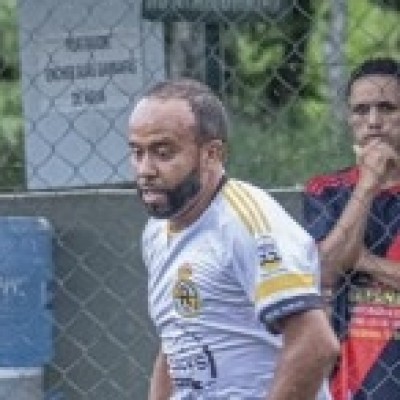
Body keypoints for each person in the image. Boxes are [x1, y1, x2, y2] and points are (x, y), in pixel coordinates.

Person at [128, 78, 339, 400]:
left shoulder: (247, 223)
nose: (145, 169)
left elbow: (315, 344)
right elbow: (176, 345)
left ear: (211, 154)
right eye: (137, 152)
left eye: (163, 152)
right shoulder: (157, 231)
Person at [303, 57, 400, 400]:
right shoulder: (326, 190)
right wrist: (368, 184)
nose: (373, 121)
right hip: (352, 381)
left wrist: (360, 259)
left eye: (387, 108)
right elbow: (326, 270)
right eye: (361, 110)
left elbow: (340, 257)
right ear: (349, 118)